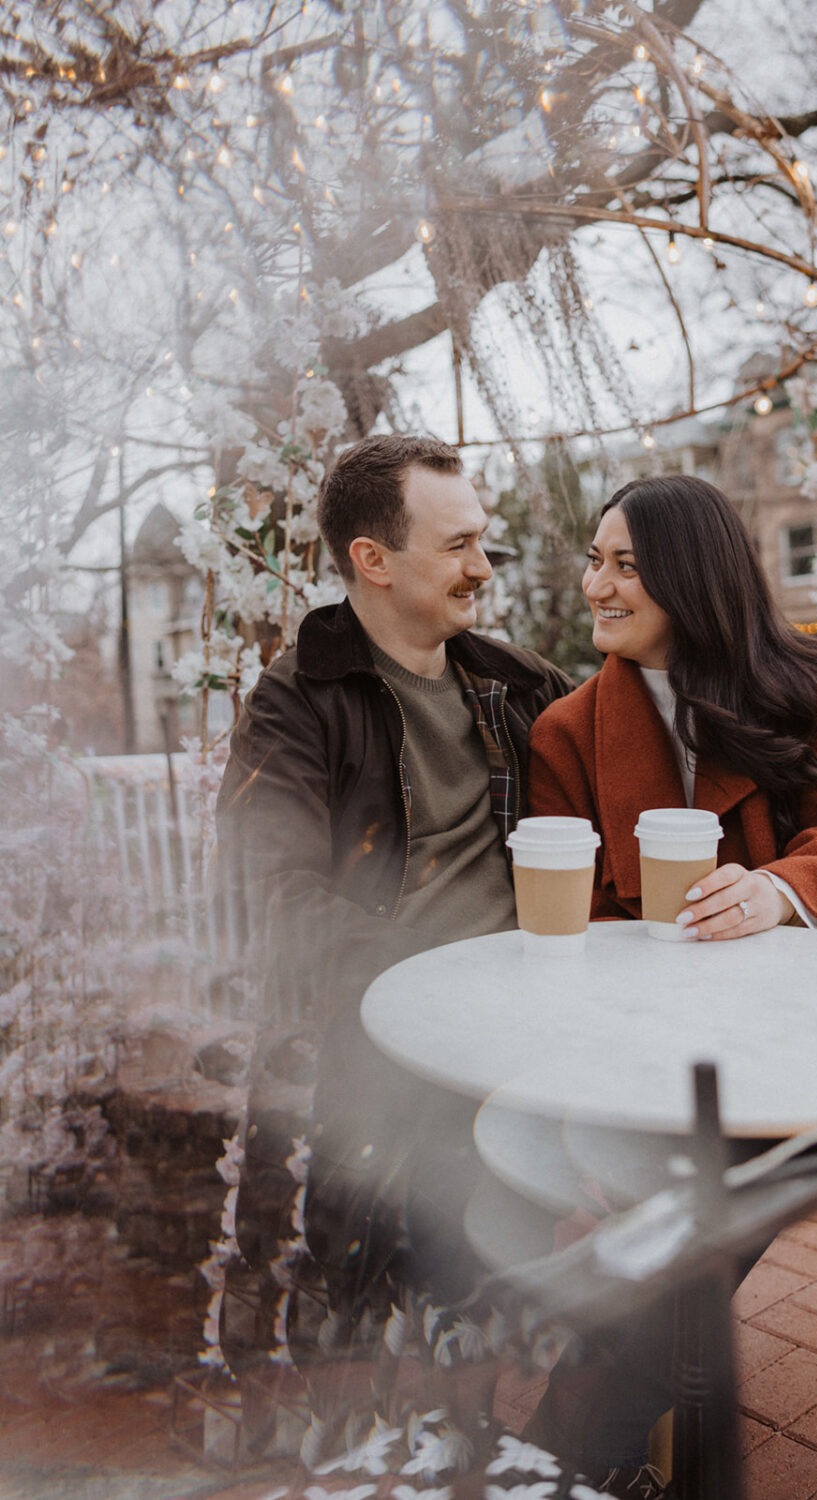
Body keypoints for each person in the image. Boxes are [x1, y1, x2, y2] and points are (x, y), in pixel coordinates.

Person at [526, 474, 817, 1488]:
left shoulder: (804, 690)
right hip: (686, 1045)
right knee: (746, 1157)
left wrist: (778, 893)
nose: (594, 586)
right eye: (593, 561)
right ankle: (591, 1441)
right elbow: (582, 934)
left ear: (691, 581)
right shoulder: (566, 734)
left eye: (623, 566)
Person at [214, 434, 574, 1474]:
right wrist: (428, 985)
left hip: (531, 1034)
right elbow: (269, 896)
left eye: (483, 544)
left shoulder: (517, 686)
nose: (482, 567)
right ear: (373, 560)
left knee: (652, 1199)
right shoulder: (296, 702)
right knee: (410, 1263)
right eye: (459, 544)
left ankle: (551, 1417)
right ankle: (408, 1432)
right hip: (387, 1043)